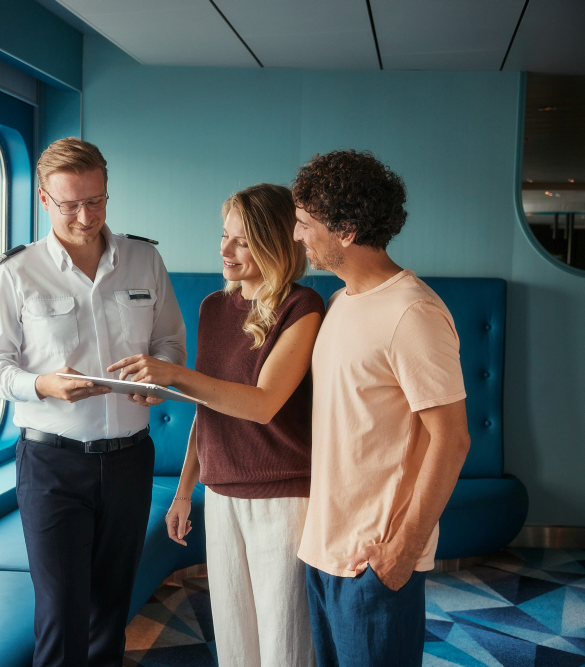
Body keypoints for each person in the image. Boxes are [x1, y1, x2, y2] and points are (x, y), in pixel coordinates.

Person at [0, 137, 186, 667]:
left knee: (111, 614)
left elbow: (171, 343)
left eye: (96, 201)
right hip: (52, 465)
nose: (85, 216)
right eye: (70, 204)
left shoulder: (145, 259)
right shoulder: (16, 273)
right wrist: (44, 384)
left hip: (131, 459)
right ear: (45, 199)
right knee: (61, 616)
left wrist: (152, 375)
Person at [108, 184, 323, 667]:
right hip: (222, 497)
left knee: (285, 648)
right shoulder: (212, 307)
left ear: (276, 244)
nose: (224, 250)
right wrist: (185, 492)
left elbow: (263, 404)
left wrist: (177, 376)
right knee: (235, 646)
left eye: (242, 241)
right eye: (225, 236)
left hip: (284, 500)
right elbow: (209, 407)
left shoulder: (303, 307)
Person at [291, 149, 470, 666]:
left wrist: (401, 551)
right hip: (324, 549)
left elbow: (452, 438)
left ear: (346, 229)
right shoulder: (341, 300)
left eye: (305, 224)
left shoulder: (412, 312)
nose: (299, 235)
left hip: (374, 557)